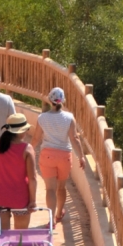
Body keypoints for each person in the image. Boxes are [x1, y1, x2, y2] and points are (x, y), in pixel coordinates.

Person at [33, 87, 84, 225]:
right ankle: (59, 213)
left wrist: (28, 151)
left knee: (50, 189)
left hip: (47, 155)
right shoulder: (69, 117)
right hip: (64, 156)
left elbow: (36, 138)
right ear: (63, 101)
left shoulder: (42, 118)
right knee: (61, 187)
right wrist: (82, 156)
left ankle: (51, 220)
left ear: (50, 100)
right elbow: (74, 138)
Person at [0, 113, 38, 231]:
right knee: (20, 237)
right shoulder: (27, 149)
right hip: (20, 198)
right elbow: (32, 178)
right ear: (21, 131)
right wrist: (32, 201)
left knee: (3, 237)